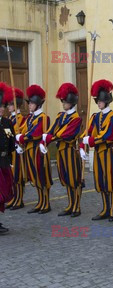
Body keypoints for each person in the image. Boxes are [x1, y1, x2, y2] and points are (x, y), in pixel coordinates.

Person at [80, 79, 113, 222]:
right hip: (98, 153)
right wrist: (82, 143)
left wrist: (91, 140)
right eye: (97, 100)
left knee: (111, 181)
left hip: (109, 152)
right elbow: (88, 131)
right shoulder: (95, 116)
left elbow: (109, 135)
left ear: (106, 100)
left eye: (100, 100)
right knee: (101, 181)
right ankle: (105, 208)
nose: (98, 102)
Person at [41, 83, 83, 217]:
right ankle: (70, 204)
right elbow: (52, 128)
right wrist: (46, 136)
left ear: (71, 102)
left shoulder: (76, 119)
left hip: (70, 151)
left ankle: (77, 206)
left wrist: (51, 137)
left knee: (74, 179)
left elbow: (66, 134)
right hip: (61, 151)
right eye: (63, 101)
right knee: (65, 178)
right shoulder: (60, 116)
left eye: (65, 101)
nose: (63, 103)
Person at [16, 84, 53, 214]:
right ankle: (40, 201)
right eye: (29, 103)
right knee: (35, 176)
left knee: (42, 176)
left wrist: (22, 138)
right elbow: (25, 129)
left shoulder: (43, 117)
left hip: (39, 150)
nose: (29, 105)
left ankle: (46, 202)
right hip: (29, 150)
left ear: (37, 104)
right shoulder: (30, 117)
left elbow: (35, 133)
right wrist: (17, 138)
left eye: (31, 103)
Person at [5, 87, 27, 210]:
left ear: (16, 105)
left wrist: (17, 138)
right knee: (12, 176)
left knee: (18, 175)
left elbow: (23, 133)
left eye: (10, 104)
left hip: (18, 151)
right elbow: (8, 134)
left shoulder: (21, 119)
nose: (8, 107)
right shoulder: (10, 120)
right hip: (11, 150)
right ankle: (13, 198)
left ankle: (19, 199)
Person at [0, 83, 15, 234]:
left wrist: (10, 158)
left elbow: (11, 141)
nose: (2, 108)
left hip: (4, 161)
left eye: (3, 106)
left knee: (4, 193)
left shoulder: (7, 123)